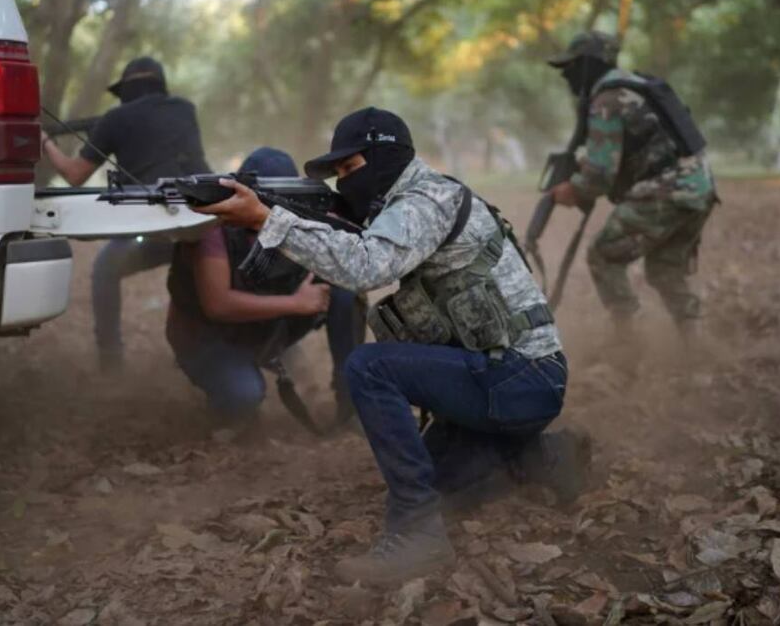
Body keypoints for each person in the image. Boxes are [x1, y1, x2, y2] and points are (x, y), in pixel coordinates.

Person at [194, 107, 571, 585]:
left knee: (368, 367)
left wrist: (270, 220)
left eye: (351, 168)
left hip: (520, 377)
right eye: (338, 173)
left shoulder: (425, 201)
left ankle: (417, 536)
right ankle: (540, 454)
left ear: (385, 157)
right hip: (508, 378)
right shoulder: (409, 201)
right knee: (442, 482)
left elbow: (366, 267)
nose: (345, 183)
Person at [165, 147, 363, 427]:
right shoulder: (214, 228)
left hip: (262, 325)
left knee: (345, 292)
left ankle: (351, 402)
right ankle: (222, 388)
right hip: (208, 339)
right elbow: (217, 305)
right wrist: (296, 304)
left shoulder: (298, 218)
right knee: (244, 397)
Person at [41, 56, 212, 371]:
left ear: (128, 89)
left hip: (154, 225)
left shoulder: (115, 119)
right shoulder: (185, 109)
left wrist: (46, 143)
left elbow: (75, 174)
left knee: (105, 271)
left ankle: (111, 360)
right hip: (202, 223)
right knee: (211, 273)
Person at [546, 32, 717, 340]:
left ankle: (629, 342)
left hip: (667, 191)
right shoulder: (636, 85)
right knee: (665, 270)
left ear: (588, 65)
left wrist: (572, 190)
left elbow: (600, 176)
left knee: (603, 255)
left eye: (570, 67)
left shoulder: (607, 99)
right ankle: (697, 343)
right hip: (700, 189)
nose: (565, 75)